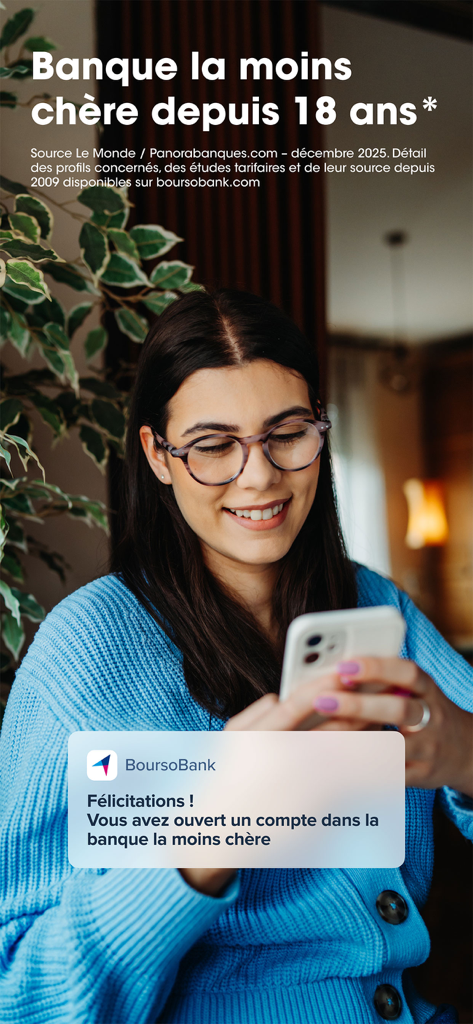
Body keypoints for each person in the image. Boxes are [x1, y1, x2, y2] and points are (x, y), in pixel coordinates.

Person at [0, 290, 472, 1024]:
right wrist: (207, 833)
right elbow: (22, 998)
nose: (259, 477)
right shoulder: (84, 648)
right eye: (214, 446)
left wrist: (465, 754)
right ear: (158, 455)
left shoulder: (375, 608)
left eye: (287, 433)